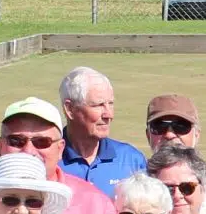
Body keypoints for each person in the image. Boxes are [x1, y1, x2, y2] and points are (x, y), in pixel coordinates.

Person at [58, 65, 149, 195]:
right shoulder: (48, 159)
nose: (108, 115)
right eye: (98, 105)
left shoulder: (131, 159)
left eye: (110, 104)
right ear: (70, 109)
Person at [144, 95, 206, 214]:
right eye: (159, 126)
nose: (169, 134)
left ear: (197, 134)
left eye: (181, 126)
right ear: (148, 135)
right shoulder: (133, 188)